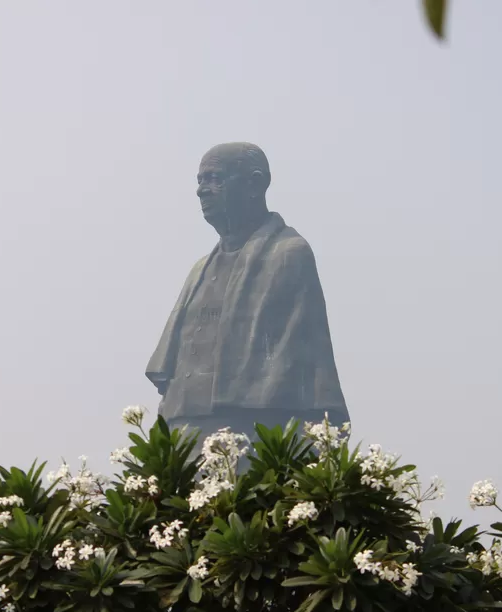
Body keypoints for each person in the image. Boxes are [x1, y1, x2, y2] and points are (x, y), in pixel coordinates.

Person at [145, 142, 350, 444]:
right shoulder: (199, 270)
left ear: (255, 184)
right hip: (181, 428)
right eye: (200, 181)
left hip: (248, 431)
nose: (202, 190)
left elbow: (308, 364)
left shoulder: (288, 254)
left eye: (215, 178)